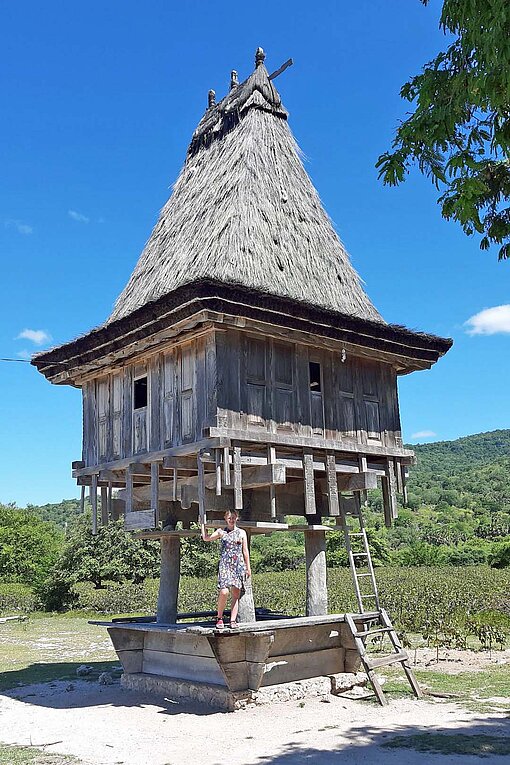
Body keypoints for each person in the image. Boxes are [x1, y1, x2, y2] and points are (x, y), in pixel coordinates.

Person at [201, 510, 251, 629]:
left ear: (237, 518)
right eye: (229, 518)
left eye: (233, 517)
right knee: (224, 592)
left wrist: (248, 567)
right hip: (225, 564)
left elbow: (245, 551)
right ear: (225, 519)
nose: (231, 520)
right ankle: (219, 618)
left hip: (237, 565)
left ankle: (233, 620)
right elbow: (206, 538)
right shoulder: (221, 532)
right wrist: (202, 525)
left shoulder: (242, 533)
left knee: (236, 593)